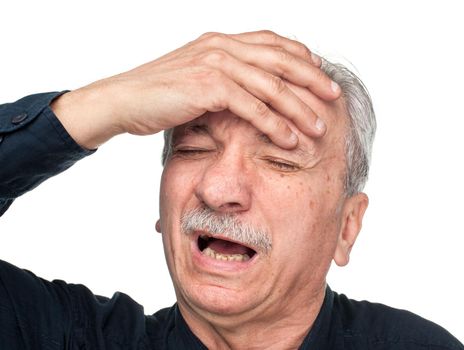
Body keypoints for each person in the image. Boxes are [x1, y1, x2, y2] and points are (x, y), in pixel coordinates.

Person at [0, 30, 462, 350]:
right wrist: (104, 103)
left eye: (280, 159)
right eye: (194, 150)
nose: (218, 189)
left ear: (346, 227)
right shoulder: (62, 335)